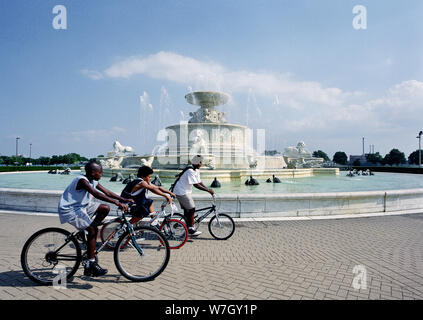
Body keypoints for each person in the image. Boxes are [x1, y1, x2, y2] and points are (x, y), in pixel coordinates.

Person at [58, 160, 132, 277]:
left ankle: (87, 231)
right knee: (93, 230)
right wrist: (117, 203)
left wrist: (123, 200)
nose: (101, 175)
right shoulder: (82, 180)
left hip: (82, 207)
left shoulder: (93, 180)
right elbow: (96, 194)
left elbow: (106, 192)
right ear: (93, 172)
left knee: (104, 208)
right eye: (100, 172)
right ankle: (90, 265)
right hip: (70, 209)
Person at [173, 155, 214, 237]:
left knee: (187, 210)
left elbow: (199, 182)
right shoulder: (190, 170)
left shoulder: (196, 170)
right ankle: (191, 228)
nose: (201, 164)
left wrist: (208, 189)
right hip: (180, 191)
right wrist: (207, 190)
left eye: (201, 162)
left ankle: (184, 224)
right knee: (192, 209)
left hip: (185, 191)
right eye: (199, 162)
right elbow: (196, 185)